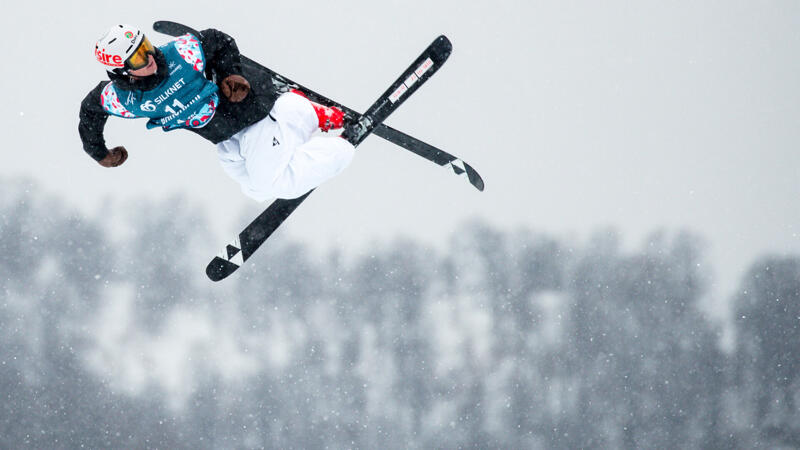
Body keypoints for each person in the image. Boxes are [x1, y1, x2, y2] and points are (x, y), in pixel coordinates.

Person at [79, 24, 359, 201]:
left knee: (276, 184)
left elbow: (217, 39)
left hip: (254, 114)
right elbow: (90, 110)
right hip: (226, 138)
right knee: (254, 190)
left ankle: (336, 145)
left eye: (146, 46)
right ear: (121, 71)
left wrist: (230, 74)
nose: (151, 57)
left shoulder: (181, 54)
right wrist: (98, 152)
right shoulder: (125, 99)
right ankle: (297, 122)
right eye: (139, 57)